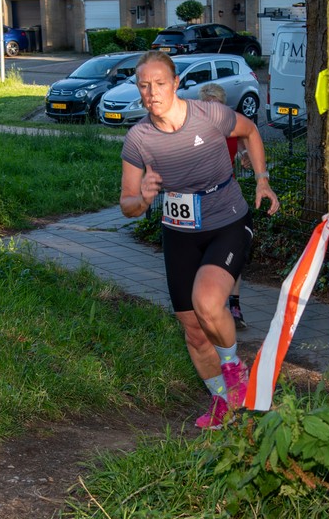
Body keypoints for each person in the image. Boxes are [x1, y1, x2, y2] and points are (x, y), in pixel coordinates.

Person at [119, 51, 280, 429]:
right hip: (179, 234)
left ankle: (233, 367)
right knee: (193, 330)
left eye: (159, 84)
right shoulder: (139, 138)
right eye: (144, 85)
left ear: (175, 84)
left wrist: (261, 179)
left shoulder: (208, 115)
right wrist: (142, 197)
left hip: (227, 222)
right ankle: (223, 403)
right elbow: (127, 204)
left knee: (207, 303)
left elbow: (251, 131)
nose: (152, 92)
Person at [197, 83, 250, 330]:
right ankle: (204, 305)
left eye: (217, 105)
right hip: (200, 199)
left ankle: (235, 307)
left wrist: (246, 157)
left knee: (233, 252)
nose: (213, 111)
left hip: (228, 198)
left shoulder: (232, 126)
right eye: (208, 106)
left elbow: (243, 151)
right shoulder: (195, 129)